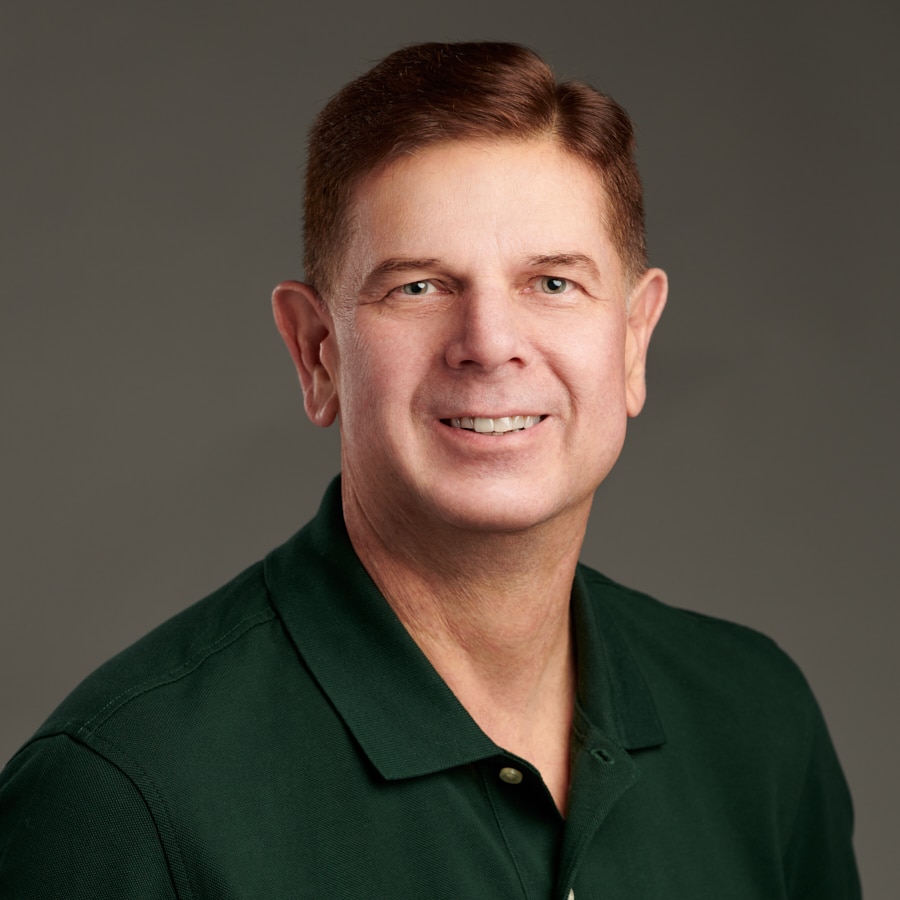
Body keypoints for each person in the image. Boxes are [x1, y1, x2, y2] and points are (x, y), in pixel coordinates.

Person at [0, 42, 859, 899]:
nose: (488, 344)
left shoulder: (758, 722)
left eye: (553, 283)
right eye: (418, 287)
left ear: (633, 340)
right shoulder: (119, 798)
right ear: (317, 353)